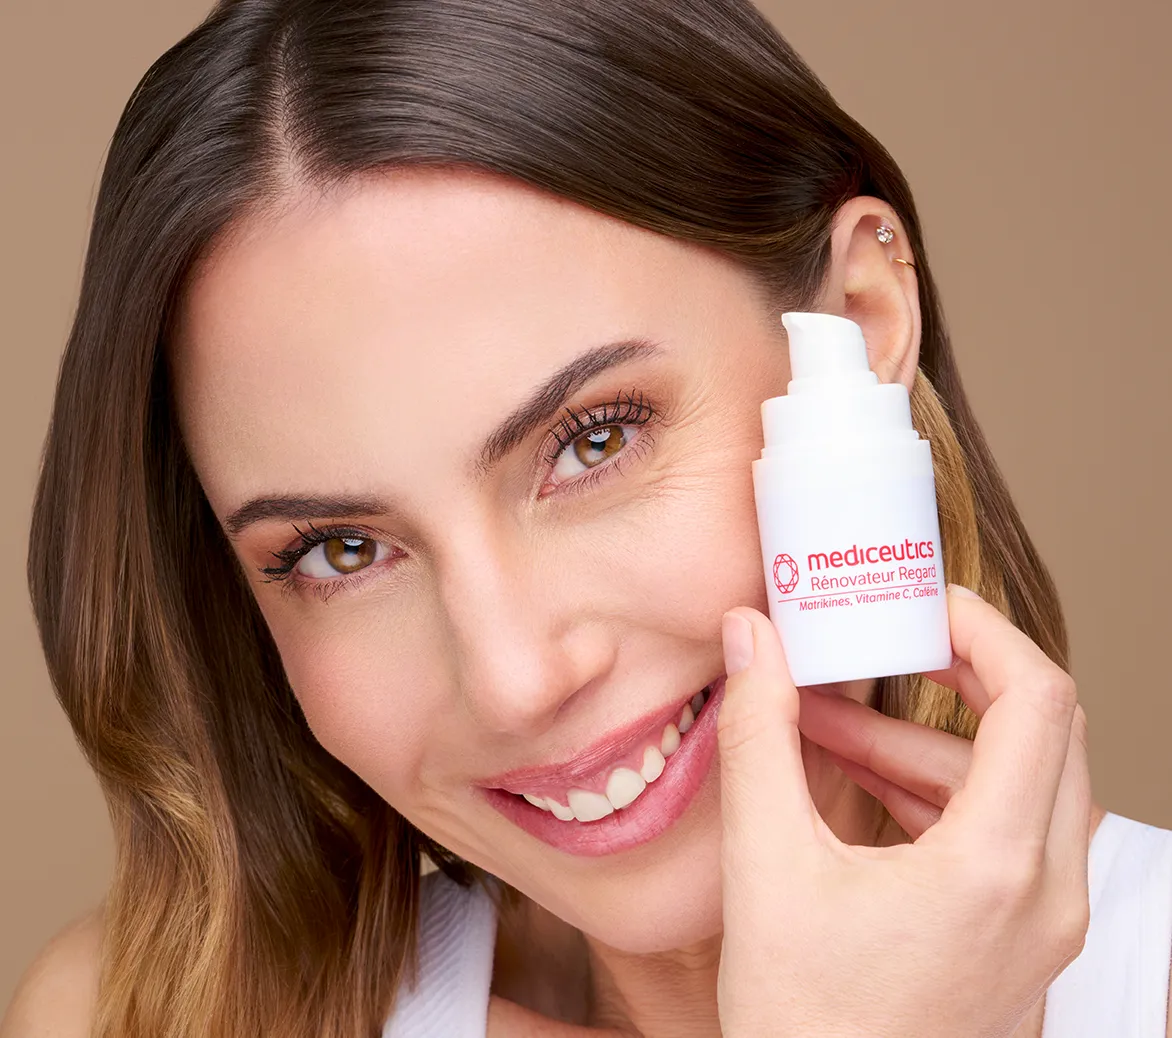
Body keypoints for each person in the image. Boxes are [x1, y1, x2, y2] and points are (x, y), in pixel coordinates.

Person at [3, 0, 1170, 1036]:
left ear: (858, 324)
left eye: (593, 440)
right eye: (341, 550)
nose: (514, 679)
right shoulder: (143, 1017)